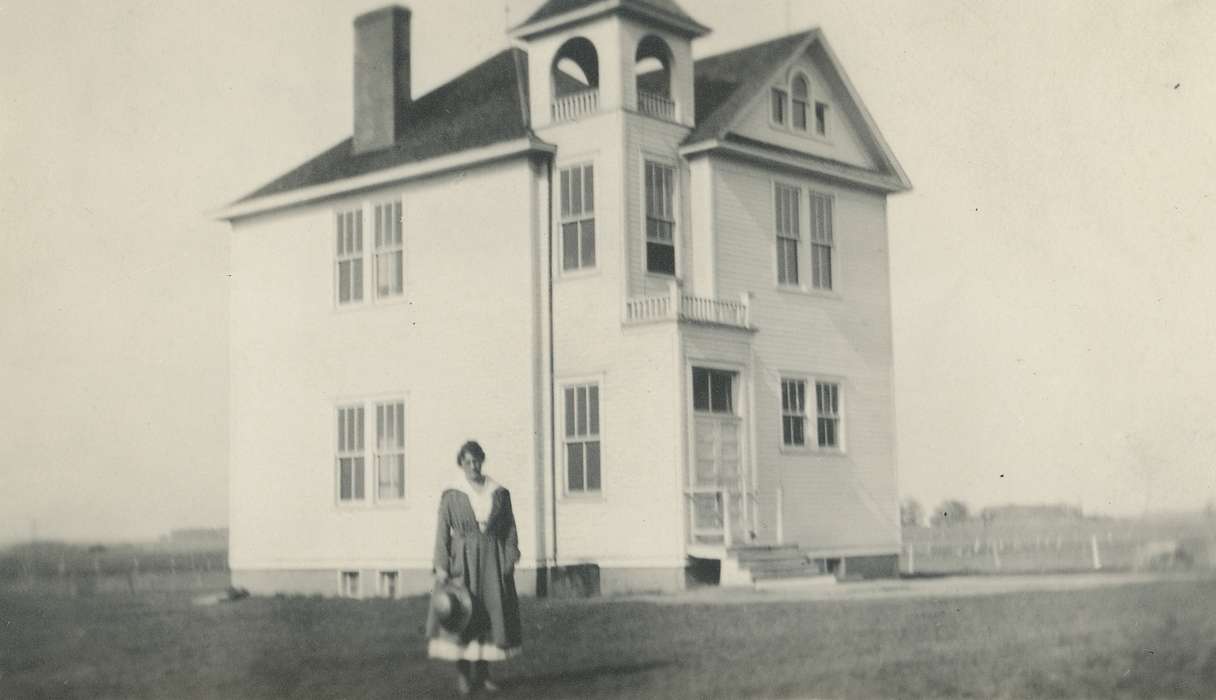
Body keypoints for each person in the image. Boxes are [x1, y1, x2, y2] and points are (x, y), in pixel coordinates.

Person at [426, 440, 522, 695]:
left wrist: (510, 557)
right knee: (462, 616)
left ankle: (484, 674)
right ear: (461, 464)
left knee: (489, 617)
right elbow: (441, 533)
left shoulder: (499, 492)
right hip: (462, 562)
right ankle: (463, 675)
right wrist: (442, 566)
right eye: (467, 461)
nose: (473, 466)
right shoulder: (452, 494)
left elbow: (510, 529)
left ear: (482, 460)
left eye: (476, 460)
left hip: (492, 561)